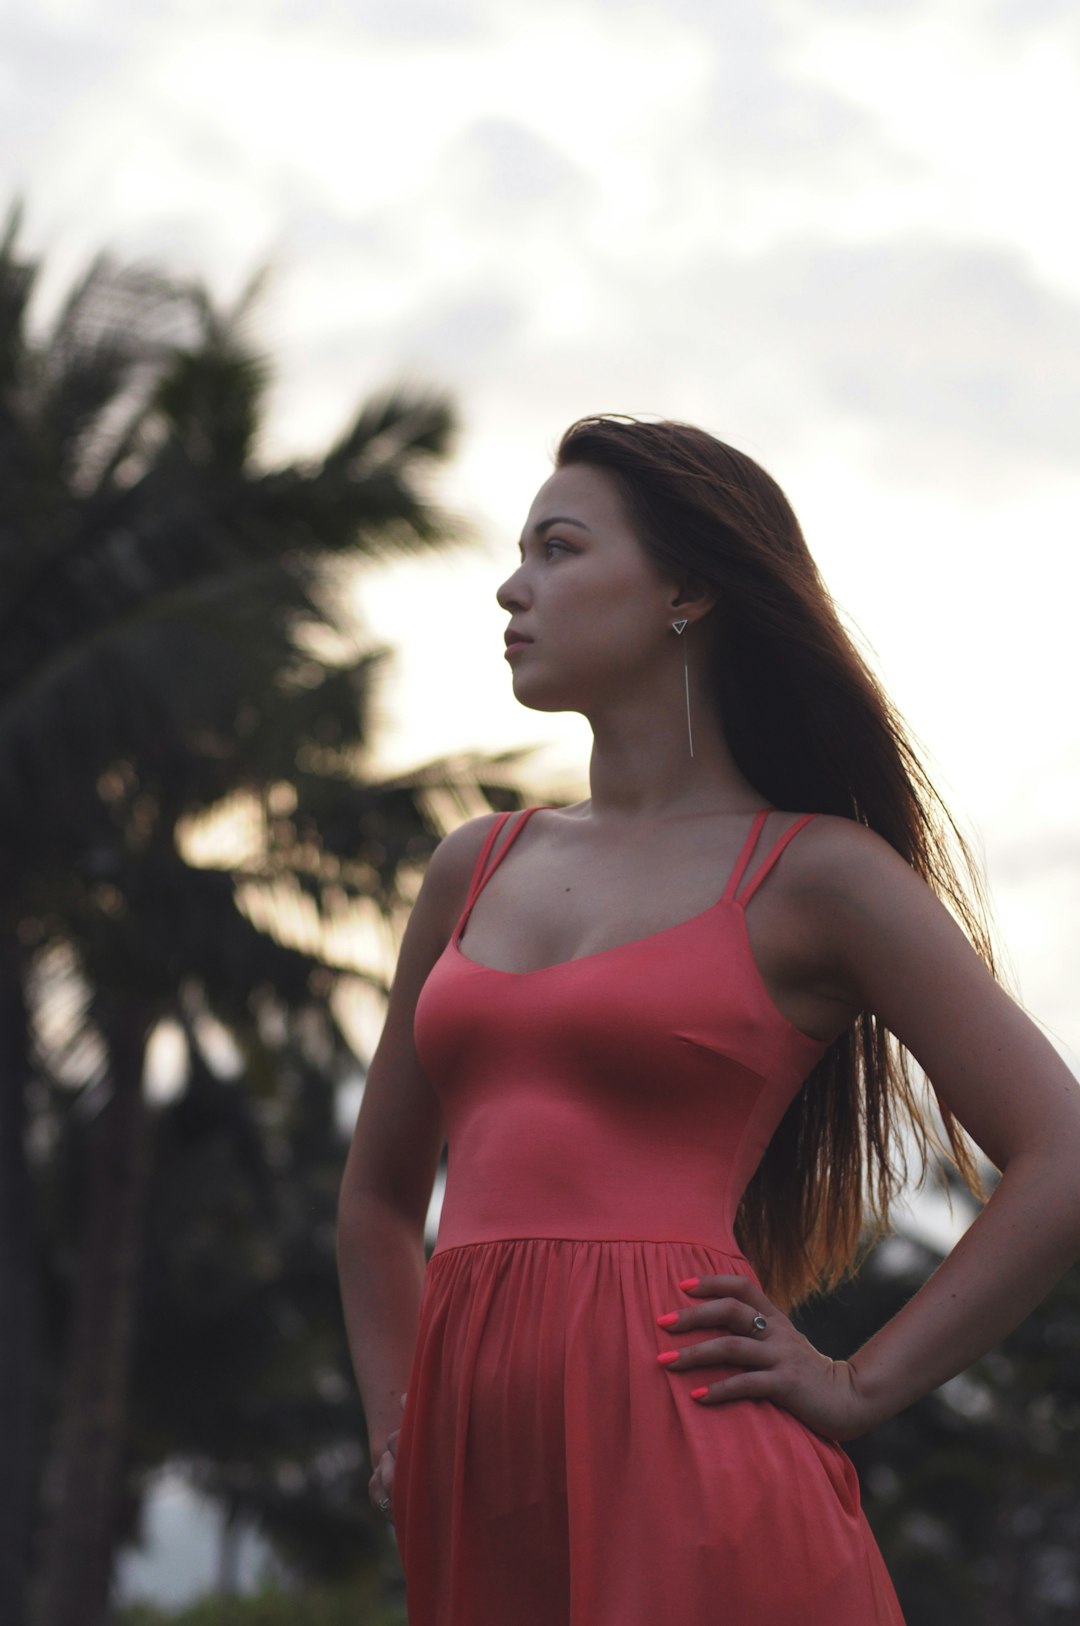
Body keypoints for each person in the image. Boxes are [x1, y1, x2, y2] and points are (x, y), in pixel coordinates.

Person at [336, 415, 1080, 1624]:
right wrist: (398, 1424)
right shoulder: (473, 866)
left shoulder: (818, 876)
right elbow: (376, 1199)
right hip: (478, 1490)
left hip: (693, 1455)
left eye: (560, 548)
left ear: (686, 588)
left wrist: (853, 1384)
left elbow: (1062, 1152)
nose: (511, 586)